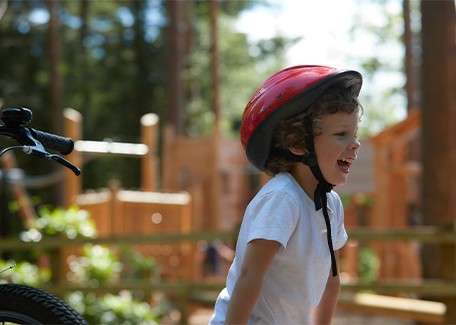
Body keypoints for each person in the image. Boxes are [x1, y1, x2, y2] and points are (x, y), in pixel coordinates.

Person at [209, 65, 363, 325]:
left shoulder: (331, 205)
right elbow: (250, 276)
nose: (355, 143)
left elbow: (331, 280)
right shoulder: (283, 198)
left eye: (355, 134)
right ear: (298, 144)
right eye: (341, 134)